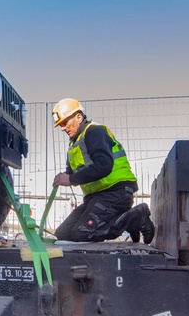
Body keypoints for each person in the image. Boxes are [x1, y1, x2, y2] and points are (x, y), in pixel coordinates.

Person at [50, 98, 155, 243]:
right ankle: (129, 220)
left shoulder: (94, 132)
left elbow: (104, 165)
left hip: (116, 192)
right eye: (60, 124)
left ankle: (136, 217)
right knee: (63, 233)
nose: (62, 128)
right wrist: (64, 176)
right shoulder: (74, 145)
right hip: (97, 197)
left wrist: (70, 180)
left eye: (65, 122)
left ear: (78, 117)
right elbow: (73, 173)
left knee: (82, 233)